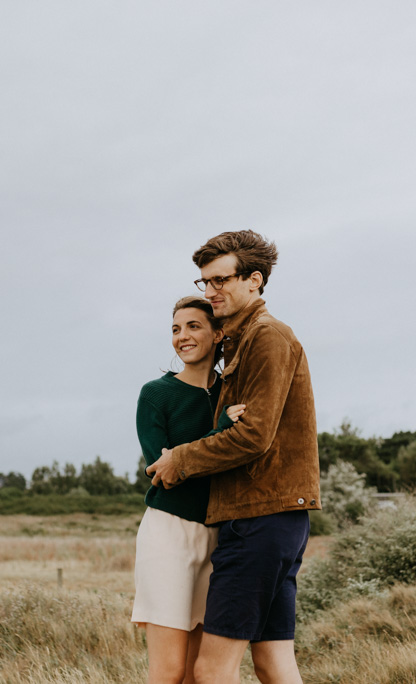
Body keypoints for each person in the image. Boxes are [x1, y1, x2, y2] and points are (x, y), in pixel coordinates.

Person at [146, 230, 320, 684]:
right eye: (205, 281)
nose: (211, 291)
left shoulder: (267, 336)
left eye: (221, 280)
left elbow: (253, 437)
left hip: (258, 519)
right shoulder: (239, 343)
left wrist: (178, 459)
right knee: (273, 663)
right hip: (274, 519)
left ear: (254, 280)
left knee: (211, 671)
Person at [133, 295, 246, 684]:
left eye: (193, 326)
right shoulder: (156, 394)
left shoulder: (230, 395)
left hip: (220, 538)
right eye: (176, 329)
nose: (182, 336)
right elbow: (163, 472)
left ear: (218, 334)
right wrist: (220, 434)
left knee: (198, 672)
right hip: (169, 534)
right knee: (168, 671)